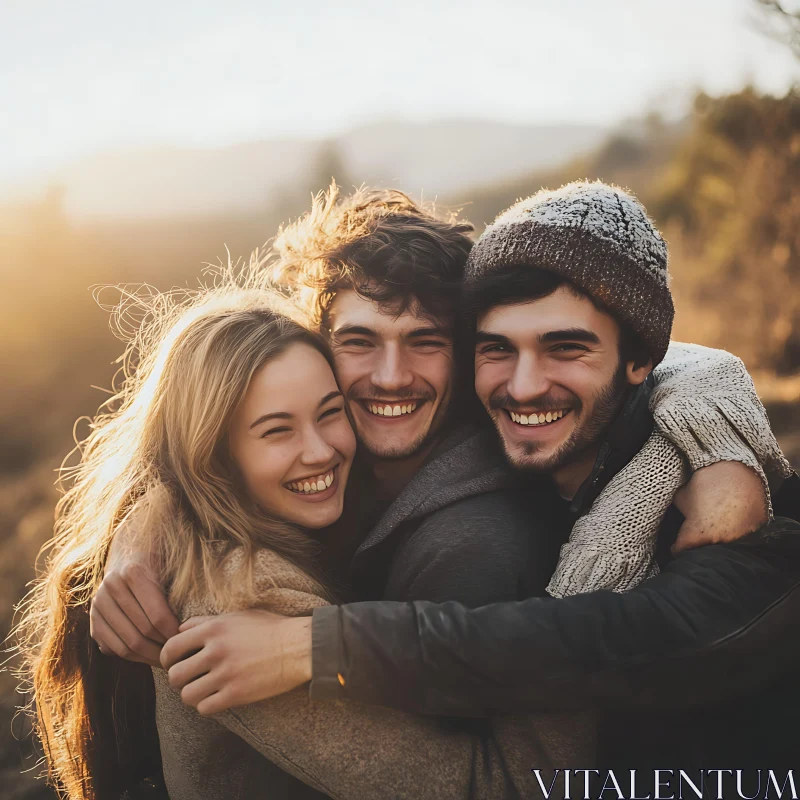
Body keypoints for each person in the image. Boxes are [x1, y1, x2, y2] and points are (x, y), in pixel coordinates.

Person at [155, 183, 800, 783]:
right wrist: (157, 504)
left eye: (566, 349)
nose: (522, 385)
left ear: (641, 360)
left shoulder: (731, 523)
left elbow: (578, 641)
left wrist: (313, 647)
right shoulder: (482, 440)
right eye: (498, 349)